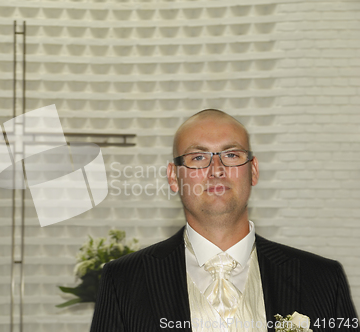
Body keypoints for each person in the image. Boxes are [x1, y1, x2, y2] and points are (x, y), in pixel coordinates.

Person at [90, 109, 359, 332]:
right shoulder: (123, 281)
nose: (216, 170)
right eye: (198, 157)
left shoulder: (322, 279)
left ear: (253, 171)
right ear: (173, 177)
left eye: (231, 155)